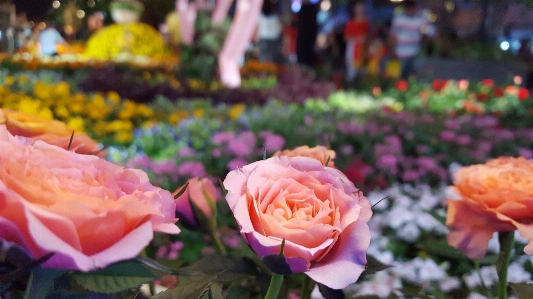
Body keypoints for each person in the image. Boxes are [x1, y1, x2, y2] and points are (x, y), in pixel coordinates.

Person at [389, 0, 435, 79]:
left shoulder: (421, 18)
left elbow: (433, 32)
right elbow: (392, 37)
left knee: (413, 78)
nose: (411, 11)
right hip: (400, 55)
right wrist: (393, 52)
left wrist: (426, 39)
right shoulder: (399, 19)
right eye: (408, 9)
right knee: (400, 79)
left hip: (415, 56)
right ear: (405, 9)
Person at [343, 0, 369, 81]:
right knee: (352, 71)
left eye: (361, 6)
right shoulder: (350, 23)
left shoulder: (366, 22)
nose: (360, 9)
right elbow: (346, 37)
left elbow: (369, 35)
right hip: (353, 50)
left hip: (364, 50)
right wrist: (357, 39)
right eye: (358, 7)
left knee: (364, 71)